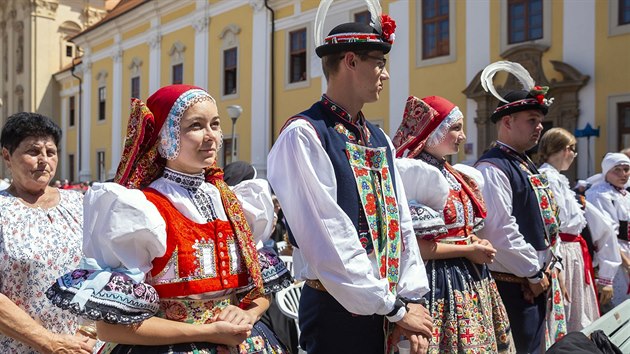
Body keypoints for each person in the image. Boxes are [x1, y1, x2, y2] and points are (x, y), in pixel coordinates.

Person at [47, 85, 287, 353]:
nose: (211, 136)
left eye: (215, 124)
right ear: (166, 137)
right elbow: (109, 328)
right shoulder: (143, 209)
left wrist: (248, 315)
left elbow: (260, 289)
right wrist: (207, 332)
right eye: (196, 126)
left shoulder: (234, 201)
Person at [267, 3, 432, 353]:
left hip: (388, 304)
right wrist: (395, 307)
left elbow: (400, 223)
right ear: (351, 61)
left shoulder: (378, 137)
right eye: (379, 62)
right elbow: (329, 239)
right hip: (338, 311)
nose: (385, 75)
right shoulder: (305, 135)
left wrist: (412, 297)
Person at [392, 95, 514, 353]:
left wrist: (476, 242)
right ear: (431, 132)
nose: (462, 135)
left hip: (470, 279)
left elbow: (464, 230)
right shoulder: (413, 175)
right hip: (435, 283)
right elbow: (416, 247)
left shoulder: (458, 175)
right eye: (455, 128)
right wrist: (468, 251)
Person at [474, 61, 563, 353]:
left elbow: (548, 220)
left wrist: (553, 263)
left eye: (540, 121)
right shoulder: (493, 168)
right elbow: (500, 233)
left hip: (536, 279)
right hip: (512, 284)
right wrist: (534, 273)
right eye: (532, 120)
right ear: (508, 122)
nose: (540, 127)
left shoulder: (525, 163)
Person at [0, 112, 95, 353]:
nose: (44, 160)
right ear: (7, 156)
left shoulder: (81, 204)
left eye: (50, 152)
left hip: (83, 346)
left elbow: (103, 270)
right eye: (33, 151)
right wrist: (49, 341)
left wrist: (88, 333)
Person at [538, 128, 620, 331]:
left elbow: (603, 226)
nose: (574, 156)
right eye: (573, 151)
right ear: (566, 149)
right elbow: (550, 226)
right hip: (561, 254)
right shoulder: (546, 178)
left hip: (572, 254)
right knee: (564, 316)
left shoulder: (559, 179)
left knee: (576, 315)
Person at [585, 153, 630, 309]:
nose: (623, 174)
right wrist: (627, 263)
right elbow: (607, 234)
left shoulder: (625, 195)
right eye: (617, 170)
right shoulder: (599, 195)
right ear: (606, 172)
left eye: (626, 169)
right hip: (615, 257)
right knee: (619, 306)